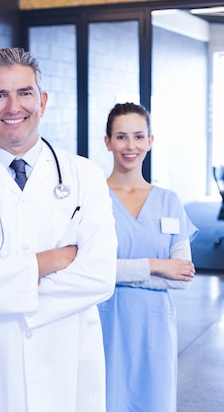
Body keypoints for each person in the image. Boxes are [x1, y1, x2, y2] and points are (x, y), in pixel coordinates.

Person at [0, 47, 118, 412]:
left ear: (43, 101)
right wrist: (55, 259)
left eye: (25, 93)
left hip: (65, 361)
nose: (13, 107)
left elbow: (99, 276)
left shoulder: (85, 175)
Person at [98, 102, 198, 412]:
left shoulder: (169, 201)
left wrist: (120, 272)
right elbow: (91, 270)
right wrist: (157, 266)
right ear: (108, 142)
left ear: (150, 141)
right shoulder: (94, 200)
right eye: (121, 137)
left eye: (139, 136)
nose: (131, 146)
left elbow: (181, 278)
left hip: (154, 331)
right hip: (105, 325)